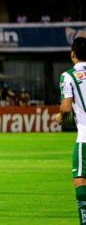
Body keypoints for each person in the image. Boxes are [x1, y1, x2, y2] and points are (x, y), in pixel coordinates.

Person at [55, 37, 86, 225]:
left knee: (81, 178)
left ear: (72, 54)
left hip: (85, 139)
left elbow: (66, 109)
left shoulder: (68, 76)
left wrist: (59, 118)